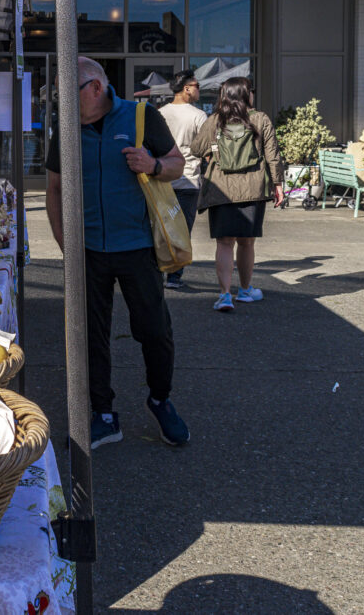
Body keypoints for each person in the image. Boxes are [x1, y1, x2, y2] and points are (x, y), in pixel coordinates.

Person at [45, 56, 190, 448]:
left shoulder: (141, 117)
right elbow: (55, 189)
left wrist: (153, 163)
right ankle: (103, 413)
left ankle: (160, 400)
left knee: (154, 330)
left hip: (138, 247)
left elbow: (177, 165)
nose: (61, 104)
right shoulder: (67, 130)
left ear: (95, 87)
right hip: (88, 251)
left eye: (65, 95)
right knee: (91, 335)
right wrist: (65, 247)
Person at [190, 77, 285, 312]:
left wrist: (215, 149)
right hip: (252, 188)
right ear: (245, 94)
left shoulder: (215, 121)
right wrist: (278, 184)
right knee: (246, 242)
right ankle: (245, 290)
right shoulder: (260, 119)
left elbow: (195, 148)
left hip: (221, 189)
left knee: (224, 243)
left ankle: (224, 295)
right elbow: (272, 154)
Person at [159, 69, 208, 289]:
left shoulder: (160, 113)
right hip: (188, 178)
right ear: (186, 88)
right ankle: (174, 276)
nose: (199, 89)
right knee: (183, 230)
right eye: (197, 85)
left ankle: (157, 270)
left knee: (160, 227)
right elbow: (205, 148)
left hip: (162, 178)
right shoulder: (198, 115)